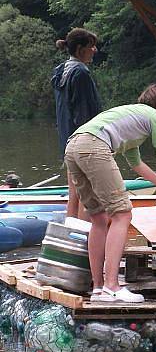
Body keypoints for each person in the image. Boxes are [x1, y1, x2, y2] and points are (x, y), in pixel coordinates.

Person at [64, 84, 156, 303]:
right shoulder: (153, 116)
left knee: (99, 218)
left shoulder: (134, 121)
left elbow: (137, 165)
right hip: (93, 147)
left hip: (74, 147)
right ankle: (112, 286)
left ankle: (98, 288)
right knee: (123, 214)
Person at [52, 28, 102, 218]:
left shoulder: (60, 71)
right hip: (83, 141)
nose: (95, 50)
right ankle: (84, 240)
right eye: (91, 46)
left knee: (74, 193)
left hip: (67, 141)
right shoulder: (80, 72)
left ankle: (69, 241)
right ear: (81, 49)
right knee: (88, 197)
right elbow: (85, 113)